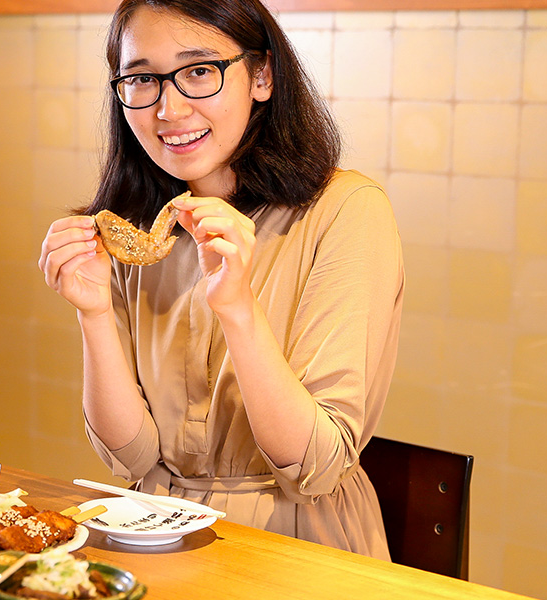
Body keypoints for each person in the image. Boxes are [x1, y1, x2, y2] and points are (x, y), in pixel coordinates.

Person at [38, 0, 402, 559]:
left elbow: (317, 467)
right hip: (155, 536)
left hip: (299, 546)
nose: (169, 108)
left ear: (262, 75)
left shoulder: (347, 211)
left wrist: (237, 307)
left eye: (199, 71)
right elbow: (130, 459)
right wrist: (92, 313)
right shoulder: (138, 230)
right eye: (142, 79)